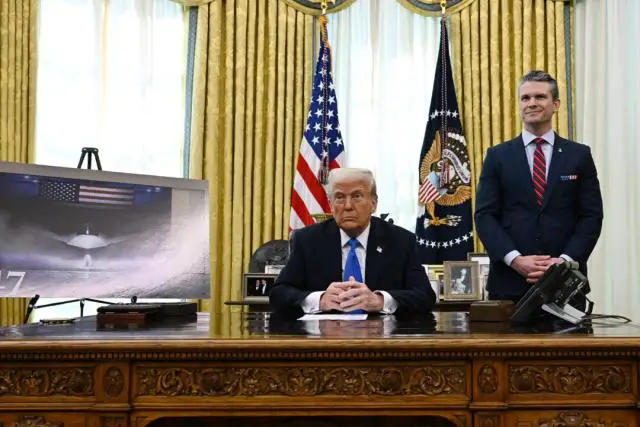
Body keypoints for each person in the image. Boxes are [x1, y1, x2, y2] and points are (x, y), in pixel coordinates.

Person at [474, 70, 603, 304]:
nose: (531, 103)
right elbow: (485, 216)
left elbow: (591, 216)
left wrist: (563, 261)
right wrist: (515, 259)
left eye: (540, 97)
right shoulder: (497, 156)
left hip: (566, 283)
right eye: (525, 98)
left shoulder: (579, 155)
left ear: (556, 104)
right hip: (509, 284)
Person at [270, 168, 436, 318]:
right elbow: (279, 293)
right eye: (340, 197)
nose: (348, 206)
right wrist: (319, 300)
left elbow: (425, 295)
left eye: (357, 196)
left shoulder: (401, 241)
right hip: (323, 343)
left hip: (383, 341)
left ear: (373, 204)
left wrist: (380, 301)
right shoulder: (307, 240)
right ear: (331, 204)